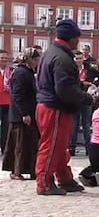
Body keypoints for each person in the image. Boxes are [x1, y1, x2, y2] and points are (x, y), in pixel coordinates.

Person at [35, 19, 93, 195]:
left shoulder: (50, 53)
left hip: (47, 105)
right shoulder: (63, 59)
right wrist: (85, 98)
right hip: (56, 108)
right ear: (72, 38)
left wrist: (78, 85)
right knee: (51, 146)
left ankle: (65, 178)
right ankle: (44, 183)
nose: (78, 41)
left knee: (59, 146)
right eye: (77, 37)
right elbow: (64, 90)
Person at [2, 48, 41, 180]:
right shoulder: (21, 73)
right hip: (21, 116)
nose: (37, 62)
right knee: (20, 145)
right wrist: (24, 113)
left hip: (28, 114)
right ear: (29, 59)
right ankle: (16, 171)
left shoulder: (28, 72)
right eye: (36, 60)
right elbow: (18, 95)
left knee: (29, 144)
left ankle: (29, 169)